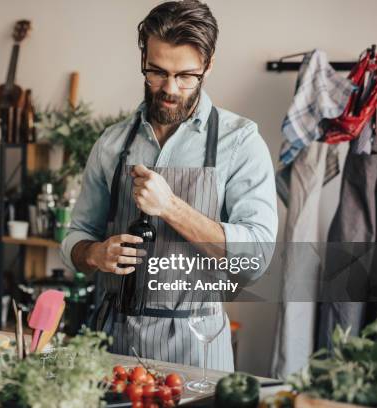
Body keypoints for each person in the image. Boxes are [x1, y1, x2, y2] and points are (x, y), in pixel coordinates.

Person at [61, 0, 277, 371]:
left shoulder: (240, 142)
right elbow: (75, 238)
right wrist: (95, 254)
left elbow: (255, 258)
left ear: (208, 66)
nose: (170, 89)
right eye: (156, 72)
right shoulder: (112, 144)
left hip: (198, 348)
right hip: (114, 345)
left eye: (186, 76)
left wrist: (171, 207)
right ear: (142, 58)